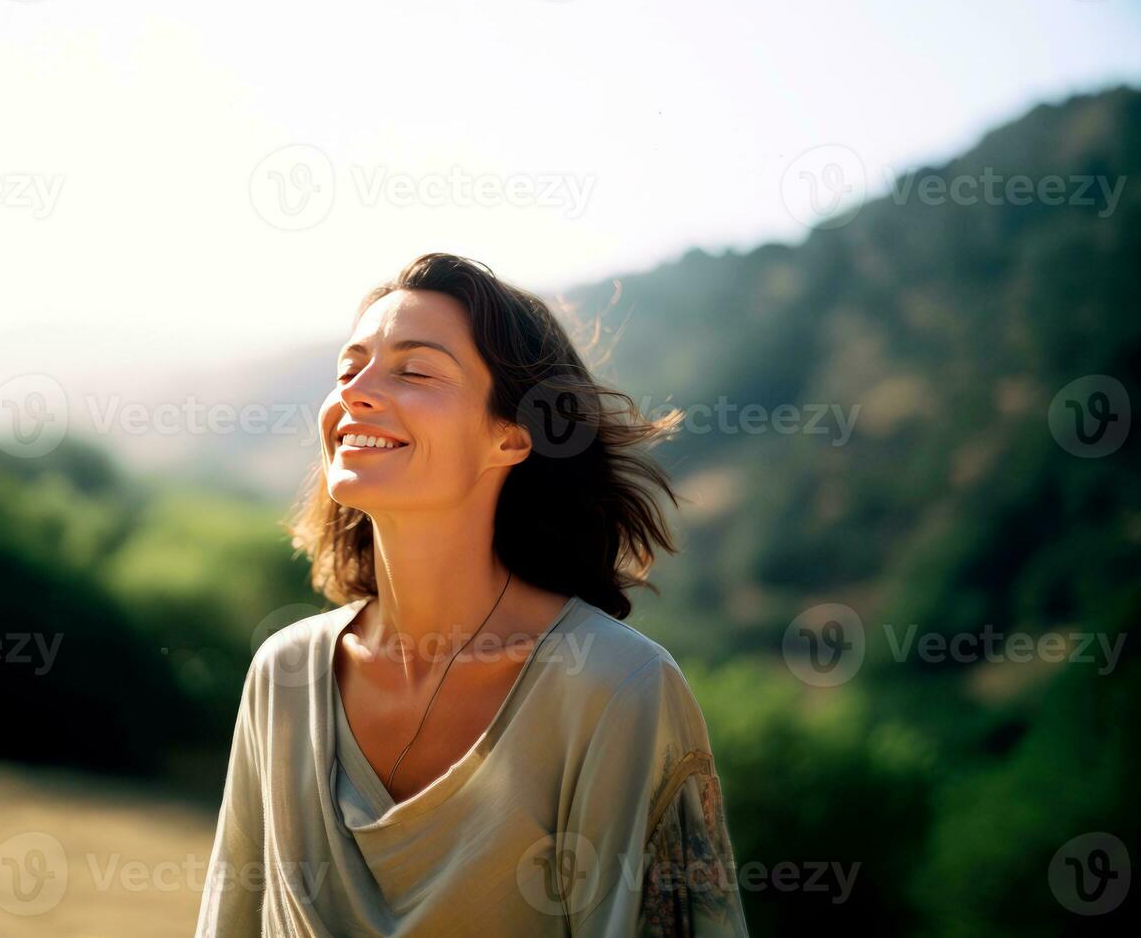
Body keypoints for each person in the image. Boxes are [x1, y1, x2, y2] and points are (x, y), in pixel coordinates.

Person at [196, 253, 748, 936]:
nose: (354, 394)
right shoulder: (282, 676)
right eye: (348, 369)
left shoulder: (614, 688)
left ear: (511, 436)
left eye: (414, 370)